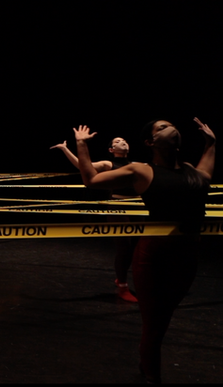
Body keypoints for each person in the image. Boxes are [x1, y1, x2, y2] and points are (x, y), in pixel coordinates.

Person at [73, 118, 215, 384]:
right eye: (161, 128)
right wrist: (81, 145)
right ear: (149, 142)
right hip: (155, 257)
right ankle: (151, 374)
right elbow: (91, 180)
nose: (169, 129)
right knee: (154, 323)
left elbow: (206, 173)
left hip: (187, 256)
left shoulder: (190, 172)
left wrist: (211, 143)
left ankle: (146, 361)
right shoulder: (142, 170)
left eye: (171, 126)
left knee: (165, 316)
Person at [51, 136, 140, 302]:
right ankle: (122, 286)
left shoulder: (137, 165)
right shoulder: (108, 164)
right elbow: (83, 166)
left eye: (124, 140)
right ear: (111, 150)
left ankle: (123, 278)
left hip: (139, 208)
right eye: (117, 141)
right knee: (124, 248)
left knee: (137, 247)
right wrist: (65, 149)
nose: (122, 142)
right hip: (118, 208)